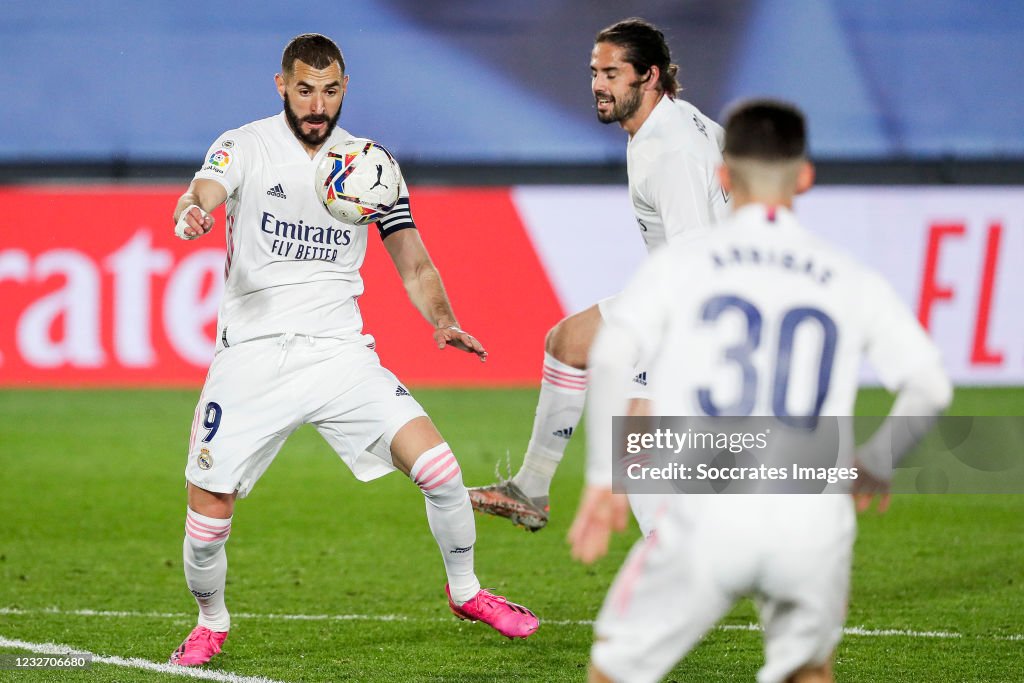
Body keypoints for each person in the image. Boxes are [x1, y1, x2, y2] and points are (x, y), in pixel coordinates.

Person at [168, 33, 538, 667]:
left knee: (440, 469)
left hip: (339, 354)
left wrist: (442, 320)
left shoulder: (369, 166)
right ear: (281, 85)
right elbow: (203, 190)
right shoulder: (245, 145)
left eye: (331, 90)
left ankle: (468, 591)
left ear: (345, 90)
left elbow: (413, 261)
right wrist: (193, 213)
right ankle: (211, 621)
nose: (318, 105)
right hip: (252, 355)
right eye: (305, 89)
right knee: (208, 511)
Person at [568, 99, 952, 682]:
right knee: (809, 672)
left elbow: (614, 353)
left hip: (706, 513)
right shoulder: (847, 274)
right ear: (805, 176)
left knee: (613, 672)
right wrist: (876, 461)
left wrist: (603, 476)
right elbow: (929, 386)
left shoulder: (683, 266)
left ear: (723, 175)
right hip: (810, 515)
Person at [469, 18, 729, 533]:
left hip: (698, 310)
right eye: (594, 72)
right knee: (568, 341)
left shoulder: (669, 149)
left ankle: (686, 574)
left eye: (612, 74)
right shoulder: (677, 124)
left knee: (636, 459)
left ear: (649, 76)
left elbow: (697, 256)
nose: (597, 85)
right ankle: (531, 490)